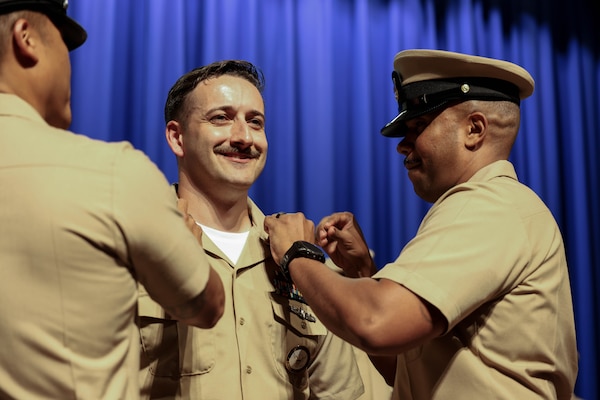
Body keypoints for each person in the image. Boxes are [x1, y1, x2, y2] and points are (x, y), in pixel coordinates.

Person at [263, 49, 579, 399]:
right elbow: (406, 370)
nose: (402, 146)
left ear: (474, 130)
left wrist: (298, 254)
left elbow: (375, 324)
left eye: (418, 126)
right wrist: (362, 274)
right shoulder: (498, 208)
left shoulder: (489, 205)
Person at [0, 1, 225, 399]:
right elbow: (207, 305)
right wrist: (187, 250)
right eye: (63, 46)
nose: (71, 67)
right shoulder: (109, 173)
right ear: (27, 38)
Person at [137, 60, 367, 399]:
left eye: (255, 122)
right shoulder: (133, 246)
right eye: (221, 118)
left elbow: (341, 393)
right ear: (177, 137)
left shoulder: (300, 256)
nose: (244, 137)